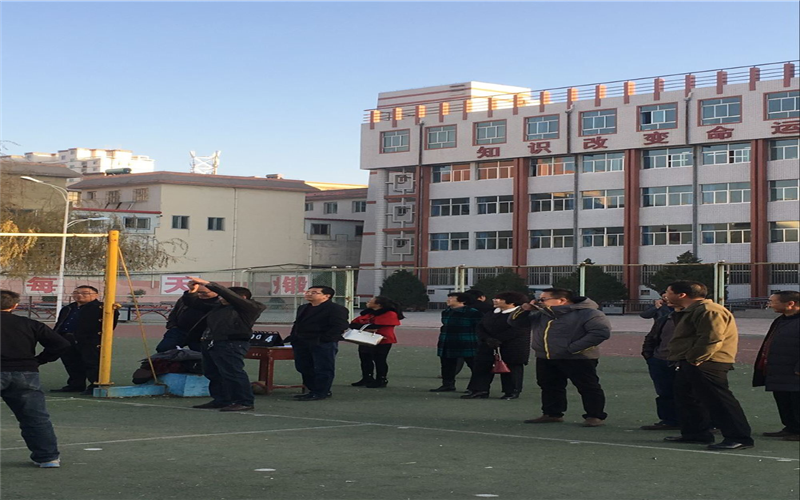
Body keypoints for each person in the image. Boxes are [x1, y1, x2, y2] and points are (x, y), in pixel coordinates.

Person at [664, 280, 754, 450]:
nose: (665, 295)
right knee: (687, 397)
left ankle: (739, 437)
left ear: (681, 295)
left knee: (719, 399)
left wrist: (695, 358)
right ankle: (695, 433)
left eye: (668, 292)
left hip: (708, 362)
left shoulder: (709, 310)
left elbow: (712, 338)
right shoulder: (692, 310)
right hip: (693, 360)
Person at [510, 288, 611, 427]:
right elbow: (515, 323)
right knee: (549, 386)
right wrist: (524, 309)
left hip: (578, 357)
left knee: (587, 387)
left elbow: (600, 333)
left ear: (561, 300)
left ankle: (595, 416)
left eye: (543, 299)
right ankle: (552, 413)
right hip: (546, 356)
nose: (539, 302)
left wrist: (571, 349)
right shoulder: (543, 314)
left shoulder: (589, 313)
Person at [1, 289, 70, 468]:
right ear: (15, 305)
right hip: (25, 372)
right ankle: (48, 457)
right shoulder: (29, 323)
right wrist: (40, 360)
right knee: (35, 417)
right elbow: (61, 344)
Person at [186, 278, 266, 412]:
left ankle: (244, 401)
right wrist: (192, 291)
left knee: (233, 373)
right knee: (213, 373)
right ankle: (222, 399)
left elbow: (228, 295)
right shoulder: (219, 307)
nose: (221, 298)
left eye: (224, 296)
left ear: (242, 298)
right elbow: (193, 303)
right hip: (211, 342)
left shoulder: (249, 308)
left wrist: (208, 284)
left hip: (231, 343)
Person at [462, 291, 530, 400]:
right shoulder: (492, 312)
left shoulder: (521, 314)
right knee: (481, 367)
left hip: (512, 347)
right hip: (487, 345)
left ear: (511, 302)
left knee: (511, 369)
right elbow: (480, 326)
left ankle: (511, 392)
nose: (495, 300)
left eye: (499, 299)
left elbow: (517, 330)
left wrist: (497, 339)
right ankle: (479, 390)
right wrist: (487, 338)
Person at [52, 285, 119, 395]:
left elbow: (111, 323)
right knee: (71, 363)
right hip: (66, 338)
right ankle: (75, 384)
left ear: (96, 295)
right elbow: (60, 323)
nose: (79, 295)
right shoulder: (68, 308)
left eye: (85, 293)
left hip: (89, 340)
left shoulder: (101, 308)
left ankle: (95, 385)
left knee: (91, 363)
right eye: (76, 293)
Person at [288, 285, 350, 401]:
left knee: (323, 367)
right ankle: (311, 390)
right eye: (308, 292)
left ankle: (321, 392)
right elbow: (298, 323)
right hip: (301, 342)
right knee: (303, 366)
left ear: (326, 296)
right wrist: (293, 337)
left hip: (322, 342)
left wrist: (324, 338)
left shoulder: (336, 309)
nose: (309, 294)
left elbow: (340, 326)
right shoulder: (303, 308)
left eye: (314, 292)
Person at [753, 290, 800, 442]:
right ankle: (791, 427)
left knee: (796, 401)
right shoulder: (781, 320)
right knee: (784, 399)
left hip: (794, 372)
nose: (770, 305)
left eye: (773, 302)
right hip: (779, 369)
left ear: (790, 303)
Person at [639, 297, 682, 431]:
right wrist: (649, 356)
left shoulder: (697, 317)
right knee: (664, 392)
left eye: (670, 294)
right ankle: (669, 420)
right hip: (660, 360)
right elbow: (651, 335)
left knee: (691, 393)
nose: (666, 298)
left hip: (683, 361)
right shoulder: (665, 318)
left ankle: (705, 423)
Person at [430, 292, 483, 393]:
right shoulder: (446, 312)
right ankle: (447, 385)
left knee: (474, 365)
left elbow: (480, 327)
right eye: (449, 297)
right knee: (447, 365)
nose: (448, 299)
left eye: (452, 298)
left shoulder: (473, 312)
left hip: (466, 342)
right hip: (447, 341)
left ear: (462, 300)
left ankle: (475, 387)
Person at [349, 296, 404, 389]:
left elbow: (376, 326)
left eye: (370, 301)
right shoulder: (369, 313)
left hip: (382, 340)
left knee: (379, 360)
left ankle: (381, 379)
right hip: (365, 339)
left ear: (378, 304)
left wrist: (362, 326)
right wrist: (365, 327)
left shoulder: (390, 314)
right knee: (365, 359)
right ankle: (367, 378)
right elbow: (353, 324)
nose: (367, 302)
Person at [156, 285, 219, 353]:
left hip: (201, 334)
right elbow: (174, 313)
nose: (200, 294)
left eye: (203, 292)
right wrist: (172, 326)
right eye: (198, 292)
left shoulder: (218, 304)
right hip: (180, 330)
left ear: (215, 293)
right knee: (163, 348)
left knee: (203, 354)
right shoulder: (185, 299)